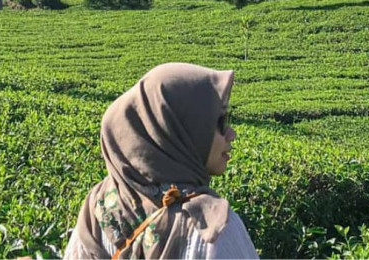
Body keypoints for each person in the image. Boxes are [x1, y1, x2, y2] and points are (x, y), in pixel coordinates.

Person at [63, 62, 259, 259]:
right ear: (182, 129)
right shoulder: (211, 229)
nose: (231, 134)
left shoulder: (100, 206)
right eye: (221, 122)